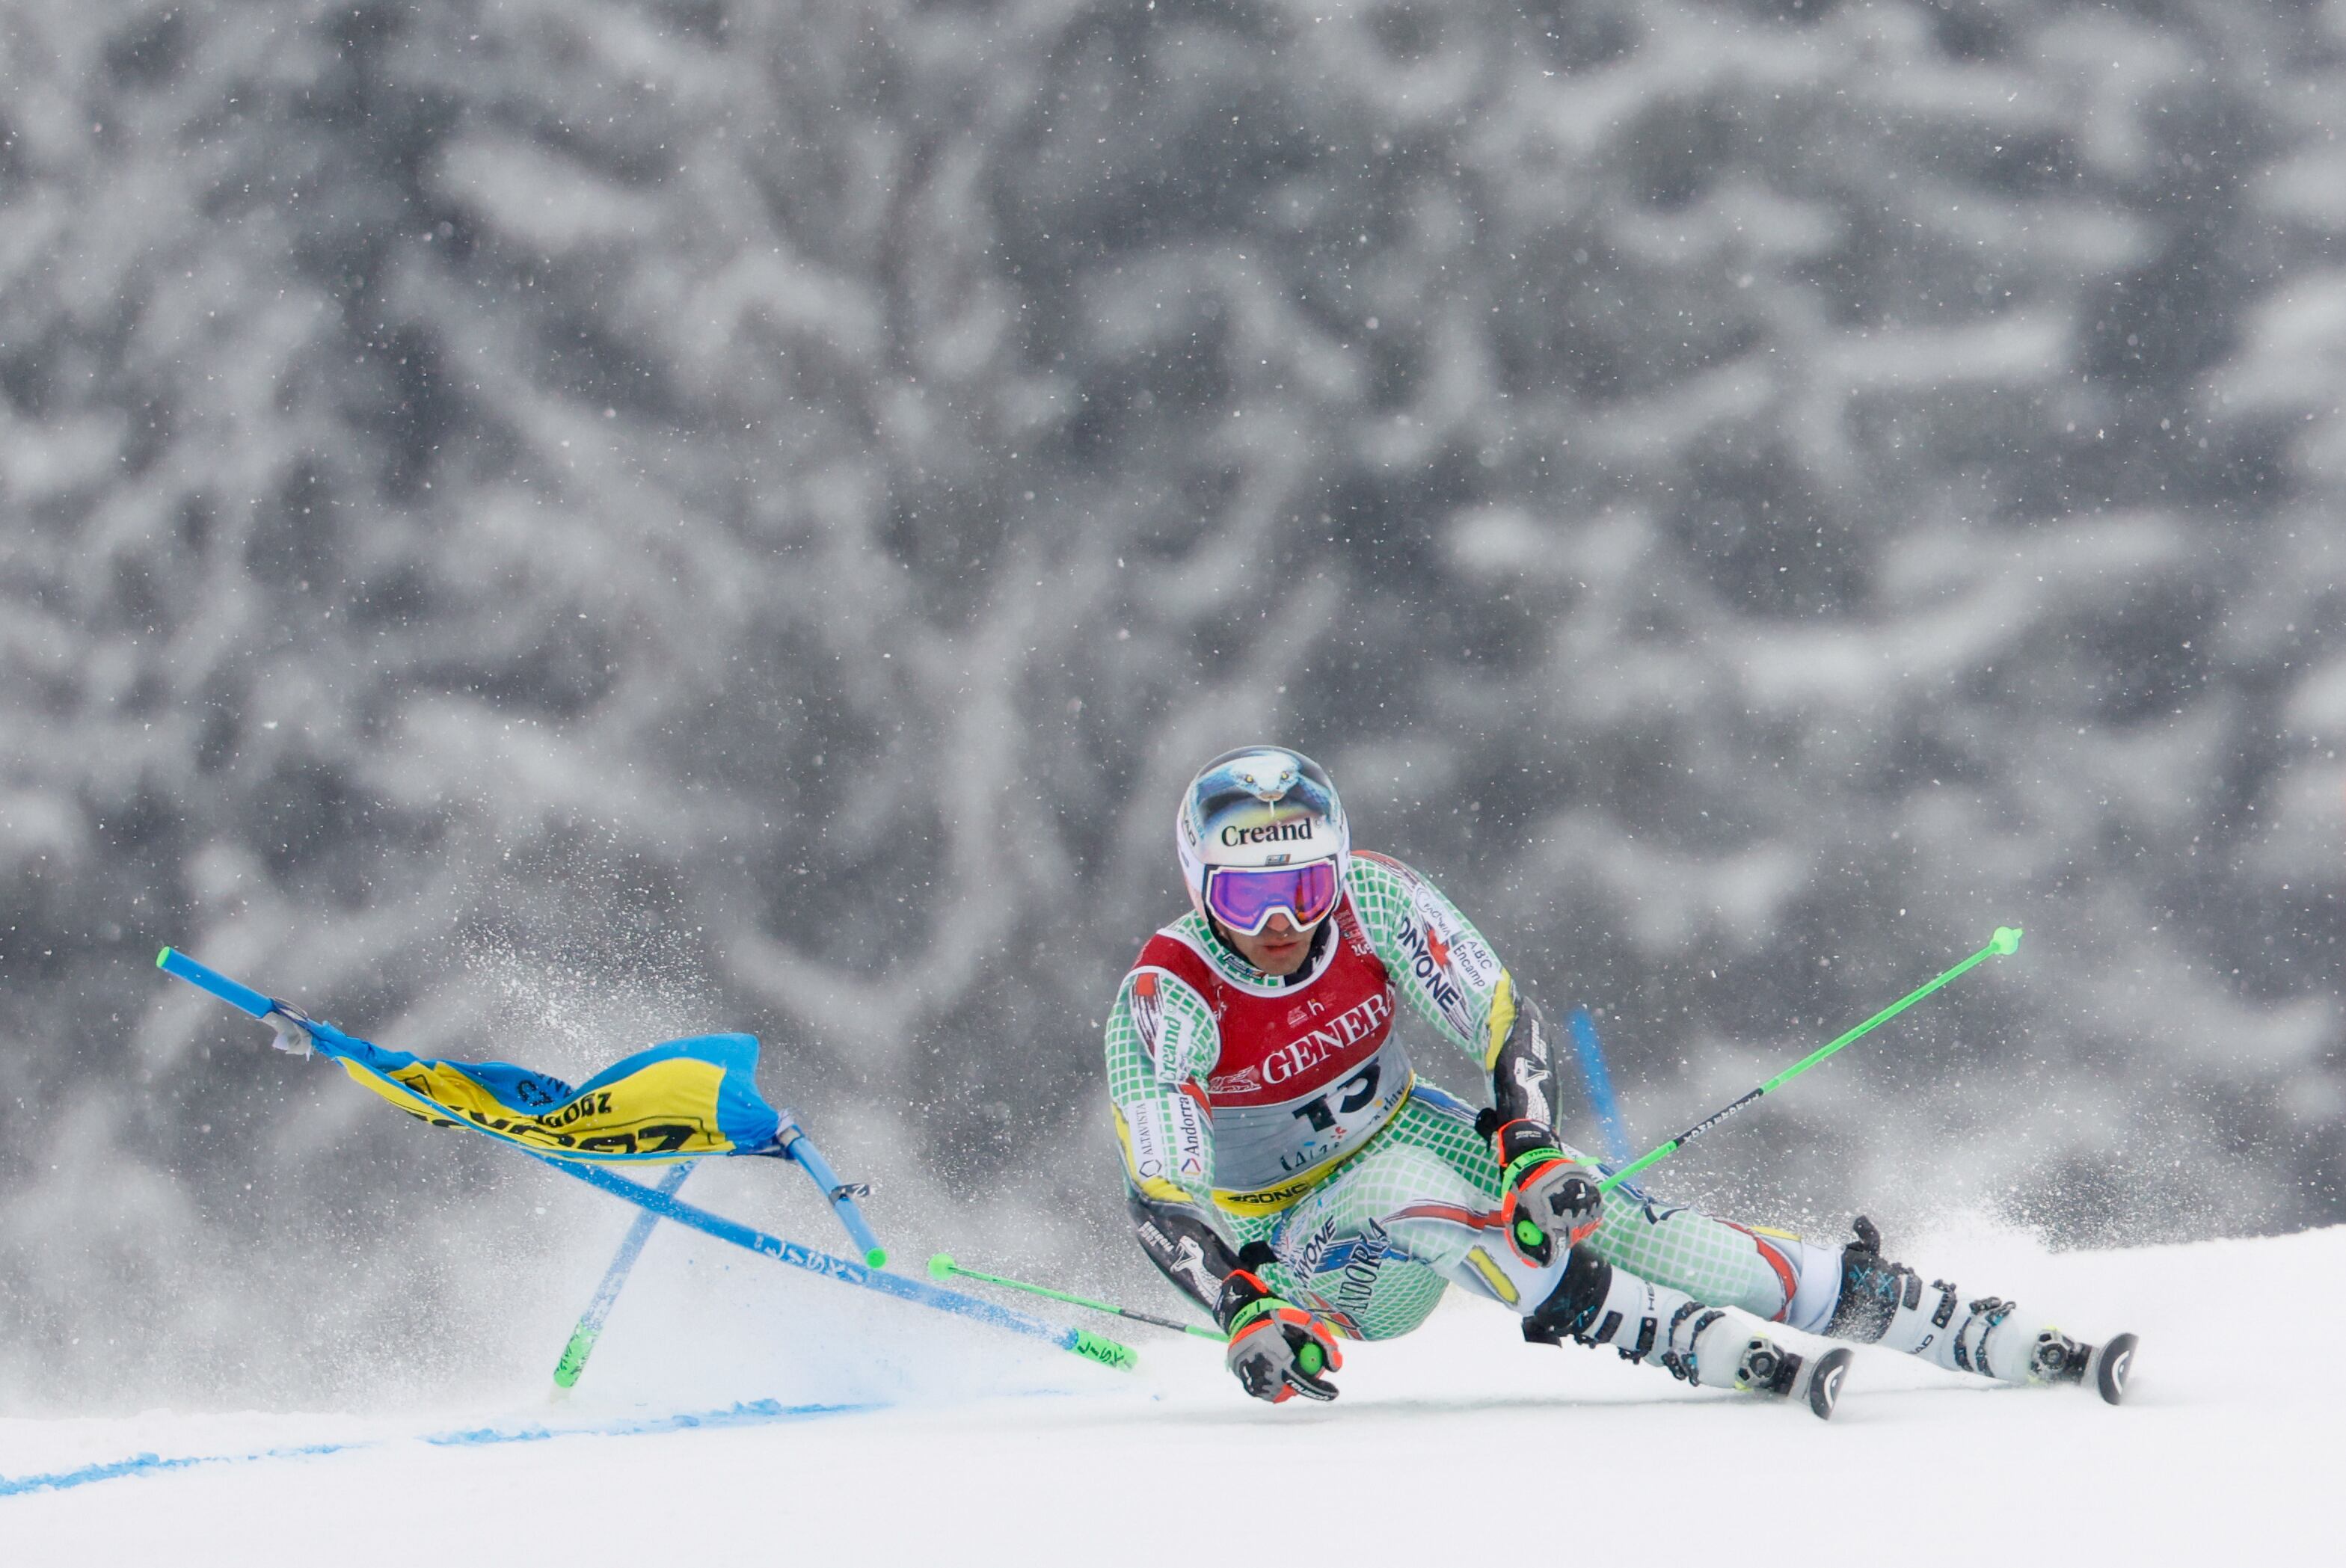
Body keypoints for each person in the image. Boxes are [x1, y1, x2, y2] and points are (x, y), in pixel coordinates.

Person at [1104, 745, 2137, 1415]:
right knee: (1417, 1195)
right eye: (1247, 894)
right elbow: (1160, 1195)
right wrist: (1242, 1303)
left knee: (1620, 1214)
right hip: (1303, 1244)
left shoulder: (1372, 897)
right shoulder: (1169, 994)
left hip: (1408, 1129)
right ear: (1201, 885)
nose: (1281, 921)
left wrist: (1530, 1146)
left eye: (1303, 886)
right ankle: (1660, 1332)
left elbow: (1501, 1017)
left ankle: (1916, 1312)